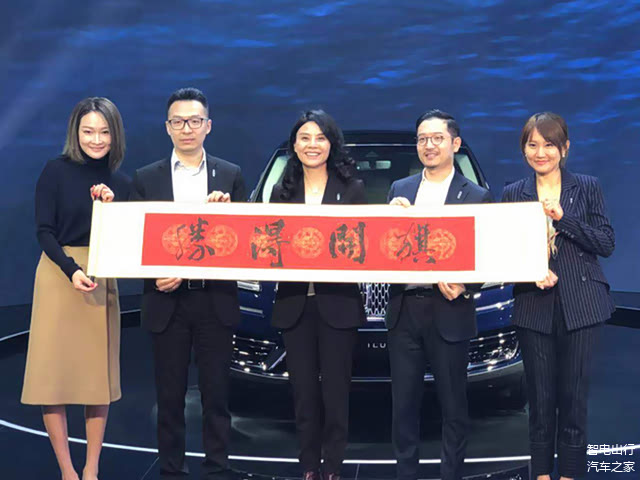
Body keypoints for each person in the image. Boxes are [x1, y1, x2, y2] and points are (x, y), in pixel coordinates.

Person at [130, 87, 246, 480]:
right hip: (167, 301)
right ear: (167, 127)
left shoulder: (229, 175)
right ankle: (171, 470)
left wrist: (227, 217)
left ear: (208, 126)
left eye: (194, 121)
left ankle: (217, 468)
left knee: (217, 394)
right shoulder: (146, 178)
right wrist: (153, 274)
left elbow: (243, 244)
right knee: (169, 396)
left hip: (215, 299)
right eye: (178, 121)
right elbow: (136, 241)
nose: (187, 129)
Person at [502, 112, 615, 480]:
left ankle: (568, 473)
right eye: (533, 145)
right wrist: (529, 271)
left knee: (573, 399)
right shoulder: (513, 193)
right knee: (540, 400)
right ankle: (540, 473)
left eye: (549, 144)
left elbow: (606, 243)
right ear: (523, 150)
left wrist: (564, 218)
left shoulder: (587, 187)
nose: (541, 153)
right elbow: (505, 253)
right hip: (533, 307)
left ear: (565, 148)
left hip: (582, 306)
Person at [21, 97, 129, 480]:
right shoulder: (55, 171)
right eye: (88, 131)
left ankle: (91, 468)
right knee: (54, 377)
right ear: (75, 133)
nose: (96, 139)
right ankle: (67, 470)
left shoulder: (121, 183)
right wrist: (71, 270)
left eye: (104, 132)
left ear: (115, 135)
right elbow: (44, 231)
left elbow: (127, 240)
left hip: (100, 276)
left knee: (96, 379)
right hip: (59, 274)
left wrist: (110, 209)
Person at [385, 109, 491, 480]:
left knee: (453, 407)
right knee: (403, 407)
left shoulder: (476, 196)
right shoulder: (399, 190)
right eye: (422, 139)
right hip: (404, 310)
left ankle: (451, 474)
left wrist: (465, 284)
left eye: (437, 138)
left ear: (454, 144)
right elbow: (384, 247)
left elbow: (487, 255)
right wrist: (386, 221)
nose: (428, 145)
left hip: (449, 309)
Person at [269, 110, 367, 480]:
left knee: (336, 394)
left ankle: (334, 467)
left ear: (331, 144)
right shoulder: (281, 192)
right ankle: (309, 466)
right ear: (294, 145)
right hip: (295, 305)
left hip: (338, 304)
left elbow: (362, 245)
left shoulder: (352, 189)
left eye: (320, 138)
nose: (313, 145)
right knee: (304, 394)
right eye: (305, 138)